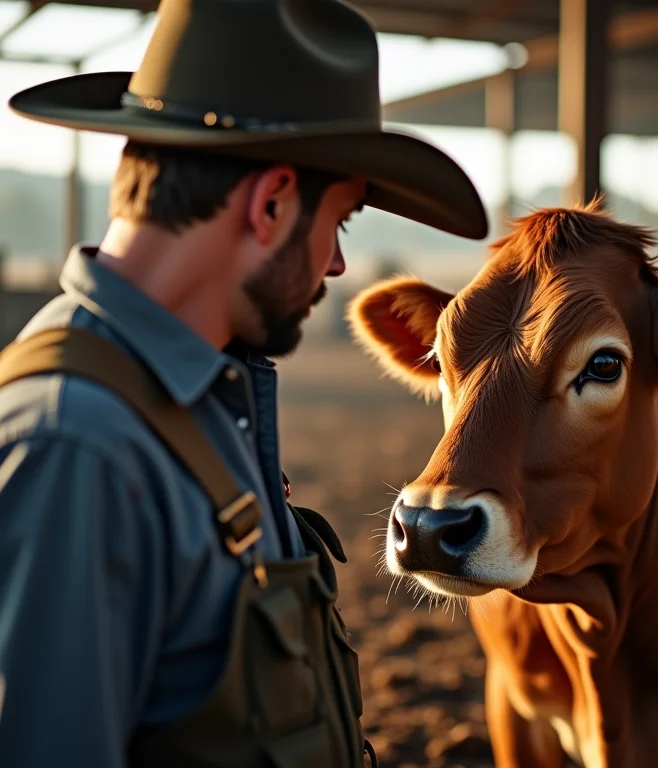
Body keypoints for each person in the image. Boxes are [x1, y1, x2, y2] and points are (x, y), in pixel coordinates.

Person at [0, 0, 488, 766]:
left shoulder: (190, 405)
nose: (335, 265)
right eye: (342, 223)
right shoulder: (79, 446)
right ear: (270, 205)